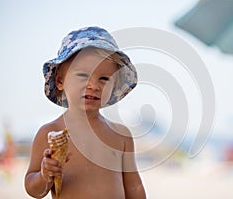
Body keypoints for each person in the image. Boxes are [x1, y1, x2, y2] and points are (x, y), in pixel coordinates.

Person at [24, 26, 146, 199]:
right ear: (60, 80)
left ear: (115, 86)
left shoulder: (121, 135)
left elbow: (134, 187)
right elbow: (33, 190)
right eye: (82, 75)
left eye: (104, 79)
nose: (93, 85)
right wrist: (45, 175)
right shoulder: (49, 133)